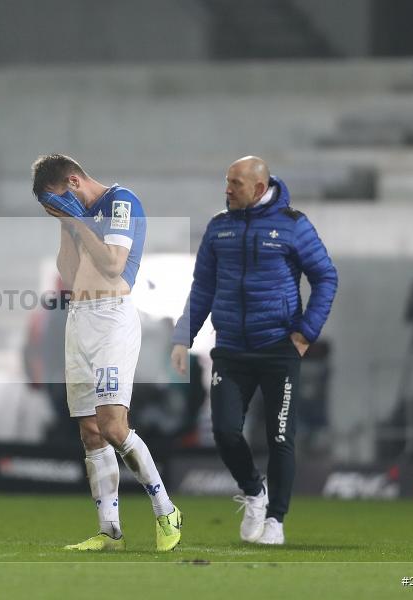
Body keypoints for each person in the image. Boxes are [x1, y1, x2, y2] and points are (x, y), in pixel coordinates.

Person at [171, 156, 337, 545]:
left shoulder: (294, 225)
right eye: (226, 181)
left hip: (280, 349)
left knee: (280, 439)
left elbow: (326, 276)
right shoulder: (218, 228)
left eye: (235, 183)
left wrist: (305, 334)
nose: (227, 189)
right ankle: (253, 491)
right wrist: (183, 337)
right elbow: (202, 289)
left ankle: (276, 521)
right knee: (225, 432)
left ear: (259, 189)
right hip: (230, 348)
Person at [32, 154, 182, 552]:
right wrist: (67, 226)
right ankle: (109, 531)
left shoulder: (120, 202)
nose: (60, 209)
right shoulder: (78, 217)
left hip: (112, 318)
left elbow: (114, 265)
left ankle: (166, 509)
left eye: (59, 200)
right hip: (78, 318)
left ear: (74, 182)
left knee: (114, 425)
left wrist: (78, 220)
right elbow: (68, 273)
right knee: (89, 431)